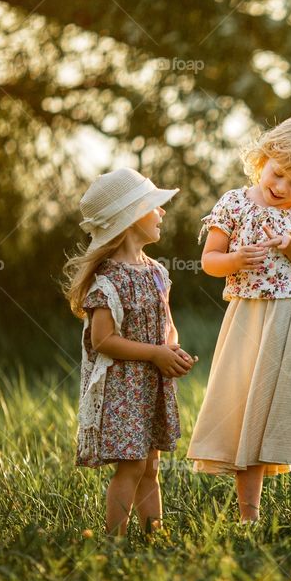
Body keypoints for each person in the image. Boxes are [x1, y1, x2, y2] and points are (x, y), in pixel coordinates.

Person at [187, 116, 291, 526]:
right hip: (249, 320)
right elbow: (210, 261)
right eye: (278, 174)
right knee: (249, 409)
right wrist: (236, 259)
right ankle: (250, 518)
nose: (282, 188)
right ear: (264, 158)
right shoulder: (233, 203)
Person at [64, 168, 195, 536]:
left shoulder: (155, 271)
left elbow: (167, 325)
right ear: (131, 217)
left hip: (150, 384)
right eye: (154, 206)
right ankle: (114, 539)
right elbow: (102, 340)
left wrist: (172, 350)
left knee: (151, 465)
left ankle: (155, 533)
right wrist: (154, 354)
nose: (163, 213)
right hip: (123, 388)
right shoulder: (110, 278)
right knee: (132, 465)